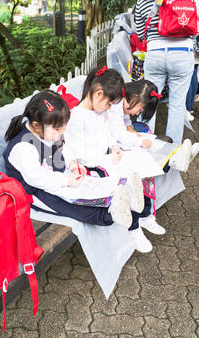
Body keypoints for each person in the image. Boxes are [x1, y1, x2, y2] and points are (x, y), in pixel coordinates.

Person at [3, 89, 141, 232]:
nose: (61, 133)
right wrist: (66, 181)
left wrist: (73, 163)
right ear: (37, 126)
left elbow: (63, 147)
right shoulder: (23, 147)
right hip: (35, 192)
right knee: (70, 206)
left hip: (59, 177)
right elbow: (36, 178)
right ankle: (110, 214)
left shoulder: (50, 131)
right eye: (58, 129)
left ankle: (126, 195)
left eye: (64, 128)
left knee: (93, 181)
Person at [64, 66, 161, 253]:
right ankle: (134, 229)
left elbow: (107, 135)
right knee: (124, 178)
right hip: (90, 166)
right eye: (109, 104)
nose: (109, 109)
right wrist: (107, 158)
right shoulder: (77, 117)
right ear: (99, 94)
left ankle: (143, 214)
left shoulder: (100, 112)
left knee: (138, 165)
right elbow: (78, 152)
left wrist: (113, 147)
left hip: (106, 159)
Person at [107, 78, 199, 232]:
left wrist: (130, 128)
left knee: (151, 146)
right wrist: (138, 141)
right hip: (115, 148)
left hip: (121, 144)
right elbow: (118, 133)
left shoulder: (121, 104)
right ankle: (175, 160)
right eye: (139, 109)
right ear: (133, 98)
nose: (139, 113)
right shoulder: (115, 105)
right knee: (147, 153)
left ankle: (177, 158)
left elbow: (124, 123)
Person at [134, 0, 194, 144]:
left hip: (156, 52)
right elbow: (195, 26)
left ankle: (144, 142)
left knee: (149, 99)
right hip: (183, 53)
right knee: (176, 104)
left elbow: (138, 30)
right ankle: (172, 150)